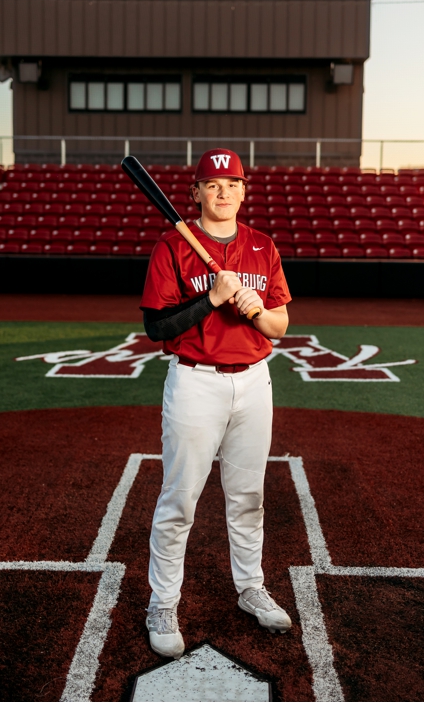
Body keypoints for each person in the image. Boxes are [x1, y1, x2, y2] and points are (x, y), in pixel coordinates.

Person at [139, 146, 294, 659]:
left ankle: (250, 587)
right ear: (197, 192)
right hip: (195, 382)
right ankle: (163, 602)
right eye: (213, 184)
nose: (223, 191)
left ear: (244, 191)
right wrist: (212, 299)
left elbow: (279, 326)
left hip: (254, 381)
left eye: (232, 184)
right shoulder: (172, 246)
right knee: (180, 500)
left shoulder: (261, 246)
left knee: (248, 497)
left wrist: (253, 310)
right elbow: (157, 327)